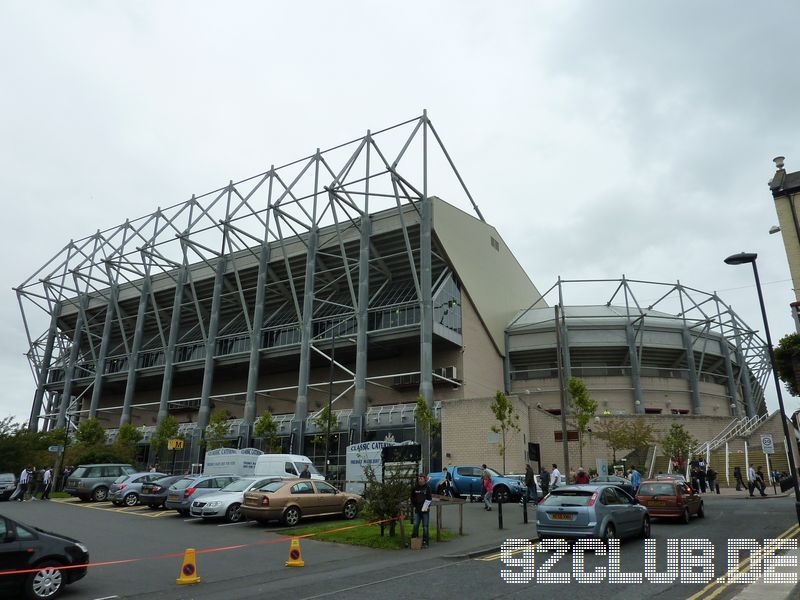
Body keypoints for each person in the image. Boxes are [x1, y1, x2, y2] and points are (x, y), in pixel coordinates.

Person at [410, 474, 432, 548]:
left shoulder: (427, 487)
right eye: (419, 479)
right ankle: (414, 540)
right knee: (415, 525)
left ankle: (425, 542)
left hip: (425, 510)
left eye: (421, 479)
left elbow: (429, 498)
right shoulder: (415, 487)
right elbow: (412, 497)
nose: (420, 480)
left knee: (425, 526)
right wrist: (415, 504)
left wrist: (427, 506)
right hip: (417, 510)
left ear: (424, 479)